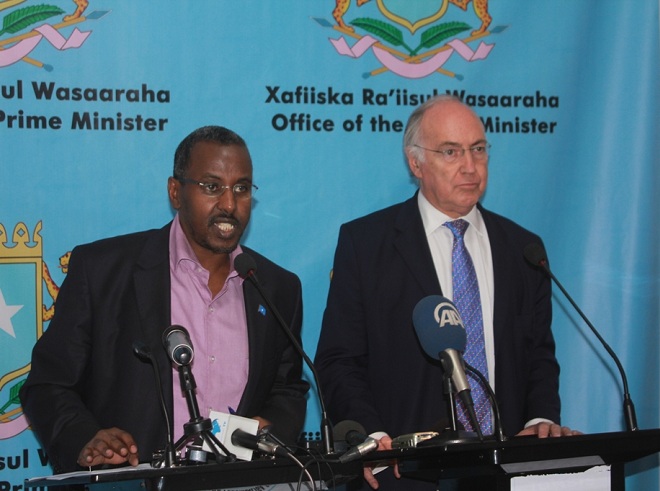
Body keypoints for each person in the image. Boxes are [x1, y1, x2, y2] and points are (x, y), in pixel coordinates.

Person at [314, 95, 579, 490]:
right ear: (415, 163)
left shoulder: (522, 248)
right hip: (403, 471)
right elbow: (339, 360)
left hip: (506, 469)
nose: (470, 166)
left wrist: (540, 421)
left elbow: (538, 355)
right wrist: (372, 437)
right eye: (451, 151)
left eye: (478, 149)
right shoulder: (366, 244)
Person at [20, 125, 309, 474]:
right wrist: (85, 438)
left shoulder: (276, 287)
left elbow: (287, 389)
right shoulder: (102, 271)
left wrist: (269, 431)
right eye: (212, 187)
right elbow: (48, 385)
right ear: (175, 192)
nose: (230, 204)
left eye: (241, 189)